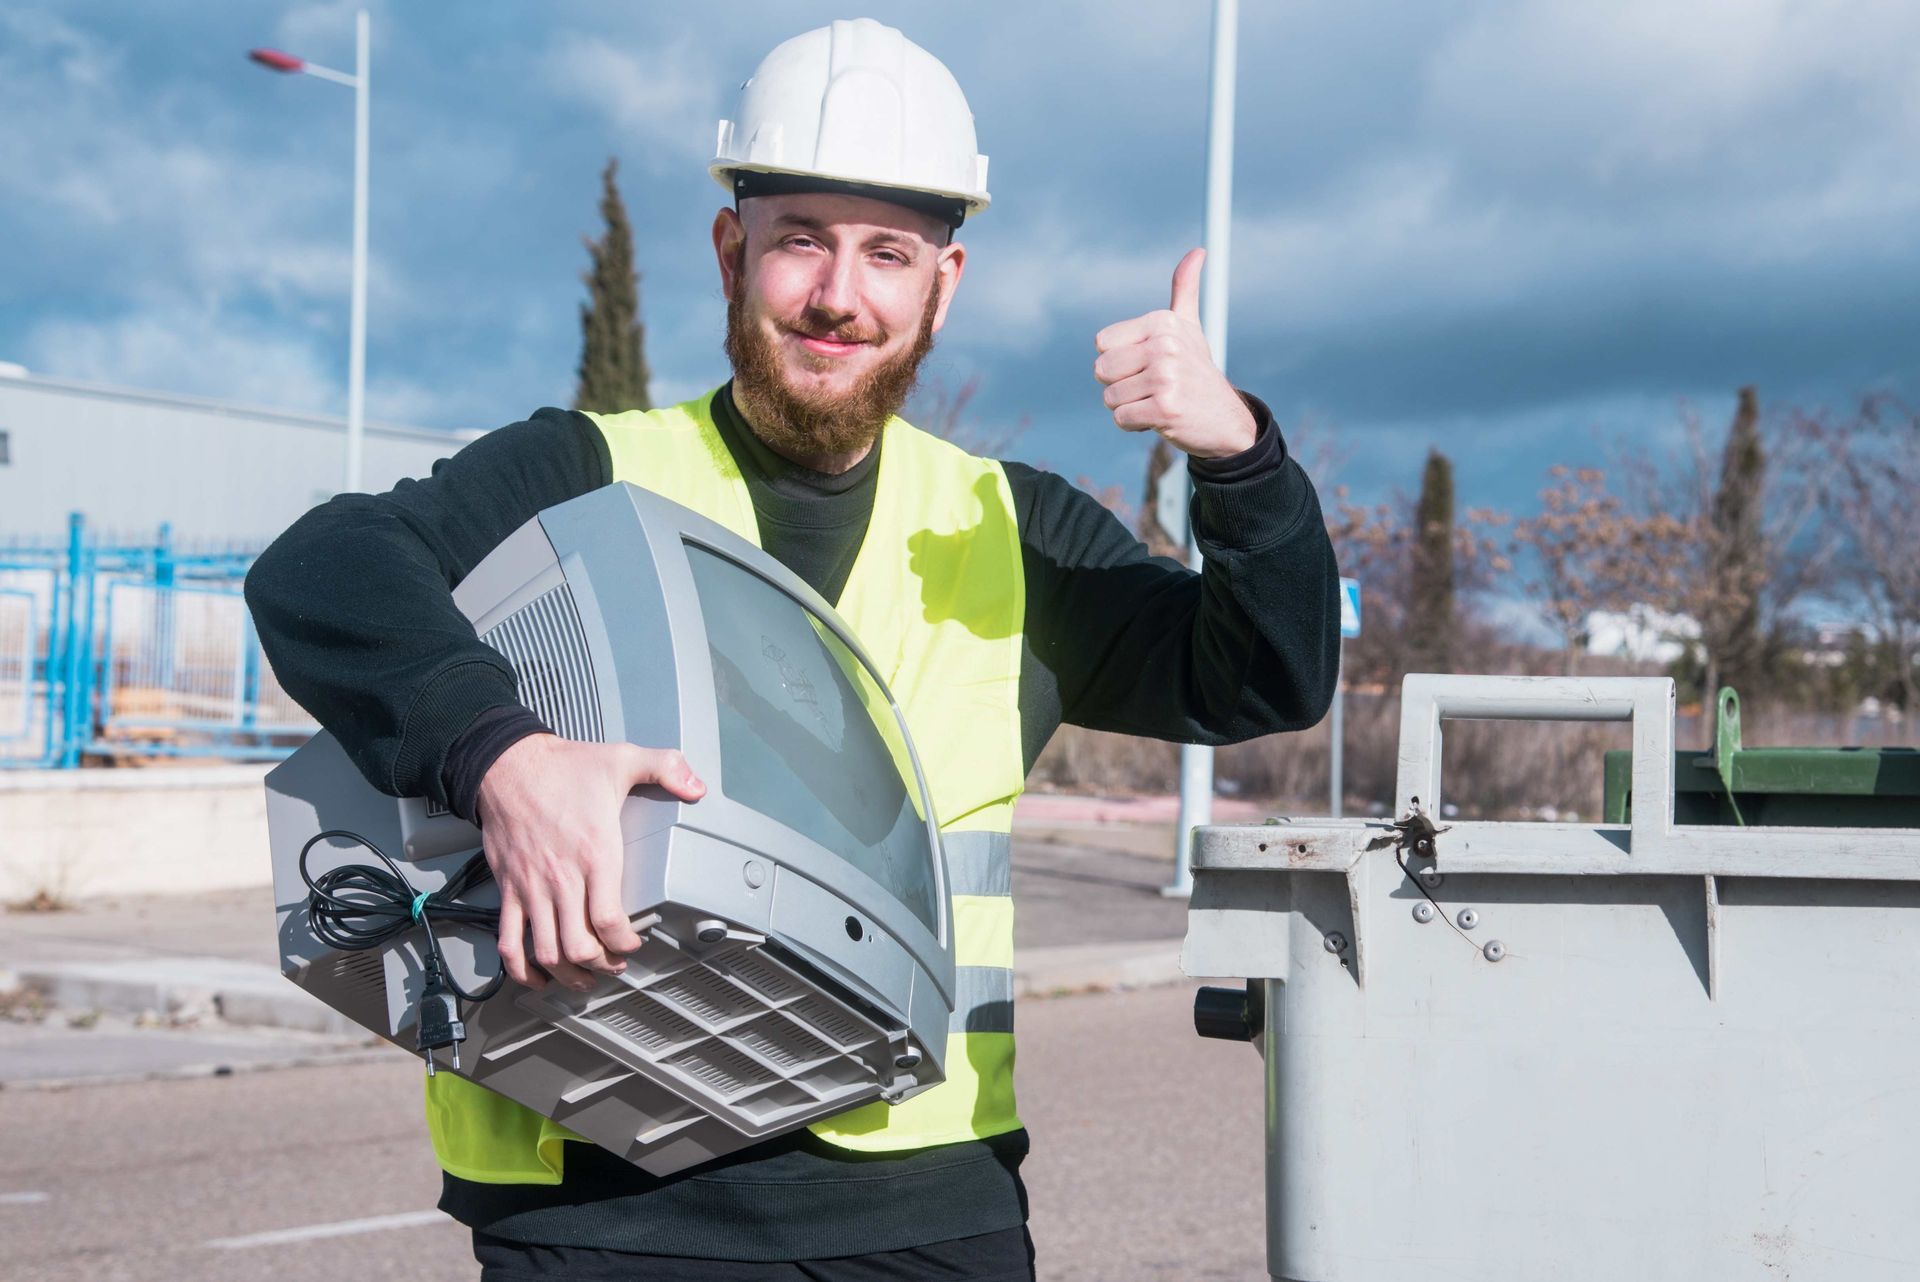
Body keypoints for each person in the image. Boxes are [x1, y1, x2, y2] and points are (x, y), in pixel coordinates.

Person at [245, 17, 1339, 1281]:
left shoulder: (1011, 527)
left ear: (946, 281)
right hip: (595, 1208)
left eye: (888, 251)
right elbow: (320, 568)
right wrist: (502, 755)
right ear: (731, 250)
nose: (838, 294)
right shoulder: (583, 470)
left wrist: (1238, 457)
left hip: (924, 1213)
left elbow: (1266, 672)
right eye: (800, 240)